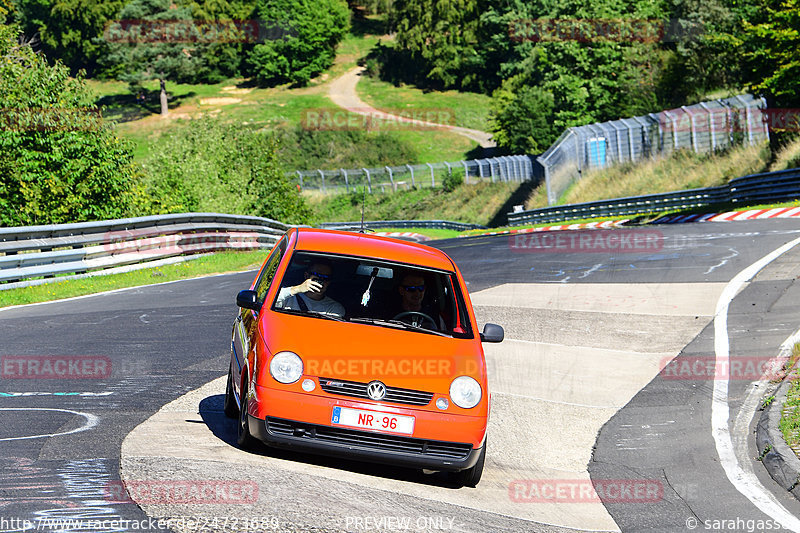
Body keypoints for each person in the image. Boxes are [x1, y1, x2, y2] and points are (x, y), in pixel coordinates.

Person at [275, 261, 345, 317]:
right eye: (317, 276)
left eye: (326, 278)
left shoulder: (333, 307)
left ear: (329, 282)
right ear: (306, 276)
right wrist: (297, 289)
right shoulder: (288, 296)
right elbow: (268, 302)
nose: (321, 281)